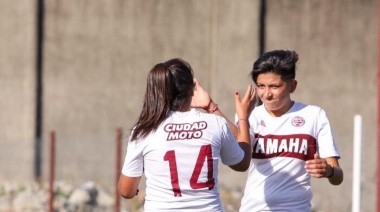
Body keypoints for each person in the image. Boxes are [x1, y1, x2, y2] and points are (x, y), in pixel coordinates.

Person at [117, 58, 256, 211]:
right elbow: (242, 163)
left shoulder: (144, 129)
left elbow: (126, 190)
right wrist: (242, 117)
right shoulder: (215, 124)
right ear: (192, 89)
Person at [236, 50, 344, 211]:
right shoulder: (249, 116)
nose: (266, 94)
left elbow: (338, 177)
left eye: (274, 86)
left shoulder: (314, 115)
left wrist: (328, 171)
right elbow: (238, 160)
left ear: (292, 86)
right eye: (261, 86)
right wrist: (235, 115)